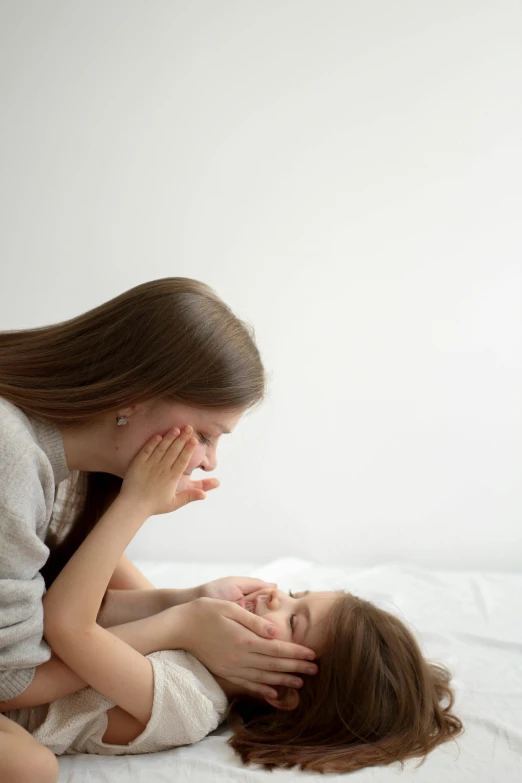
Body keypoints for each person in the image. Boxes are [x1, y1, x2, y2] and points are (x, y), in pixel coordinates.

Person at [3, 426, 463, 774]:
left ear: (282, 690)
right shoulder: (200, 630)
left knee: (33, 769)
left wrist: (138, 509)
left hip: (12, 701)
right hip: (17, 651)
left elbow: (70, 626)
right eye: (293, 593)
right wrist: (189, 596)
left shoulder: (190, 703)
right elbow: (97, 592)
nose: (273, 596)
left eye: (294, 619)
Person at [0, 278, 317, 783]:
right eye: (207, 435)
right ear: (134, 393)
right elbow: (12, 681)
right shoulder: (12, 458)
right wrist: (179, 612)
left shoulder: (59, 470)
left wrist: (187, 600)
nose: (208, 461)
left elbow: (57, 604)